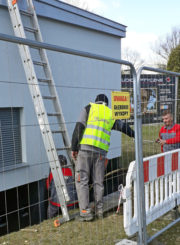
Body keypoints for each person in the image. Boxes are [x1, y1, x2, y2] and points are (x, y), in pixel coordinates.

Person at [71, 94, 135, 221]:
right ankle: (99, 210)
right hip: (101, 152)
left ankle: (85, 212)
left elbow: (79, 127)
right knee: (98, 181)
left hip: (85, 150)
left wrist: (74, 147)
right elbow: (123, 128)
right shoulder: (110, 114)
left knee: (82, 179)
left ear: (96, 101)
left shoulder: (89, 108)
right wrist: (134, 134)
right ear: (107, 103)